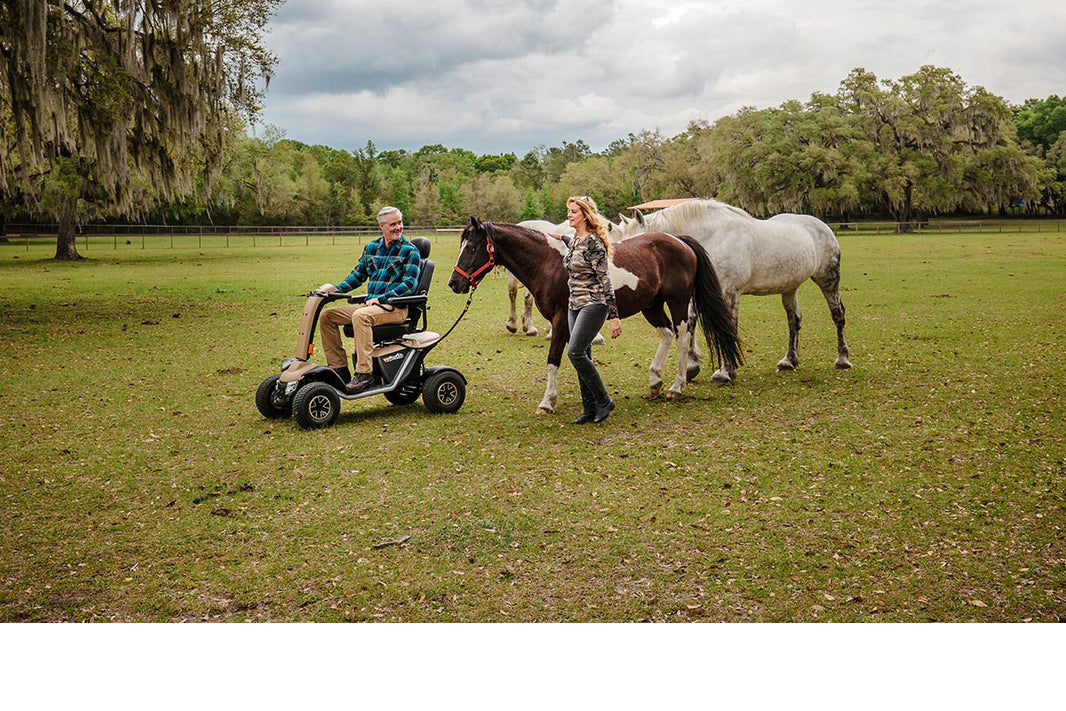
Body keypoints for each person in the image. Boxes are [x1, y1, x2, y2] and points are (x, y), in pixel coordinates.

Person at [317, 206, 421, 394]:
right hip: (371, 307)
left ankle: (364, 374)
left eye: (400, 223)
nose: (398, 227)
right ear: (382, 226)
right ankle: (338, 370)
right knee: (327, 316)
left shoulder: (410, 251)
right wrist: (334, 292)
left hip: (395, 308)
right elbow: (357, 276)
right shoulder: (371, 247)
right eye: (393, 224)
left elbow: (409, 286)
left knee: (360, 316)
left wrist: (381, 299)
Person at [550, 195, 622, 424]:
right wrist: (558, 236)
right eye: (568, 211)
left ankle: (604, 400)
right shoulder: (577, 240)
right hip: (574, 305)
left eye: (573, 212)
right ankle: (589, 409)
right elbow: (571, 244)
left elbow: (605, 280)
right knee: (585, 353)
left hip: (594, 303)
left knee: (575, 352)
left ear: (585, 215)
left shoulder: (594, 243)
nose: (568, 215)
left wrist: (614, 316)